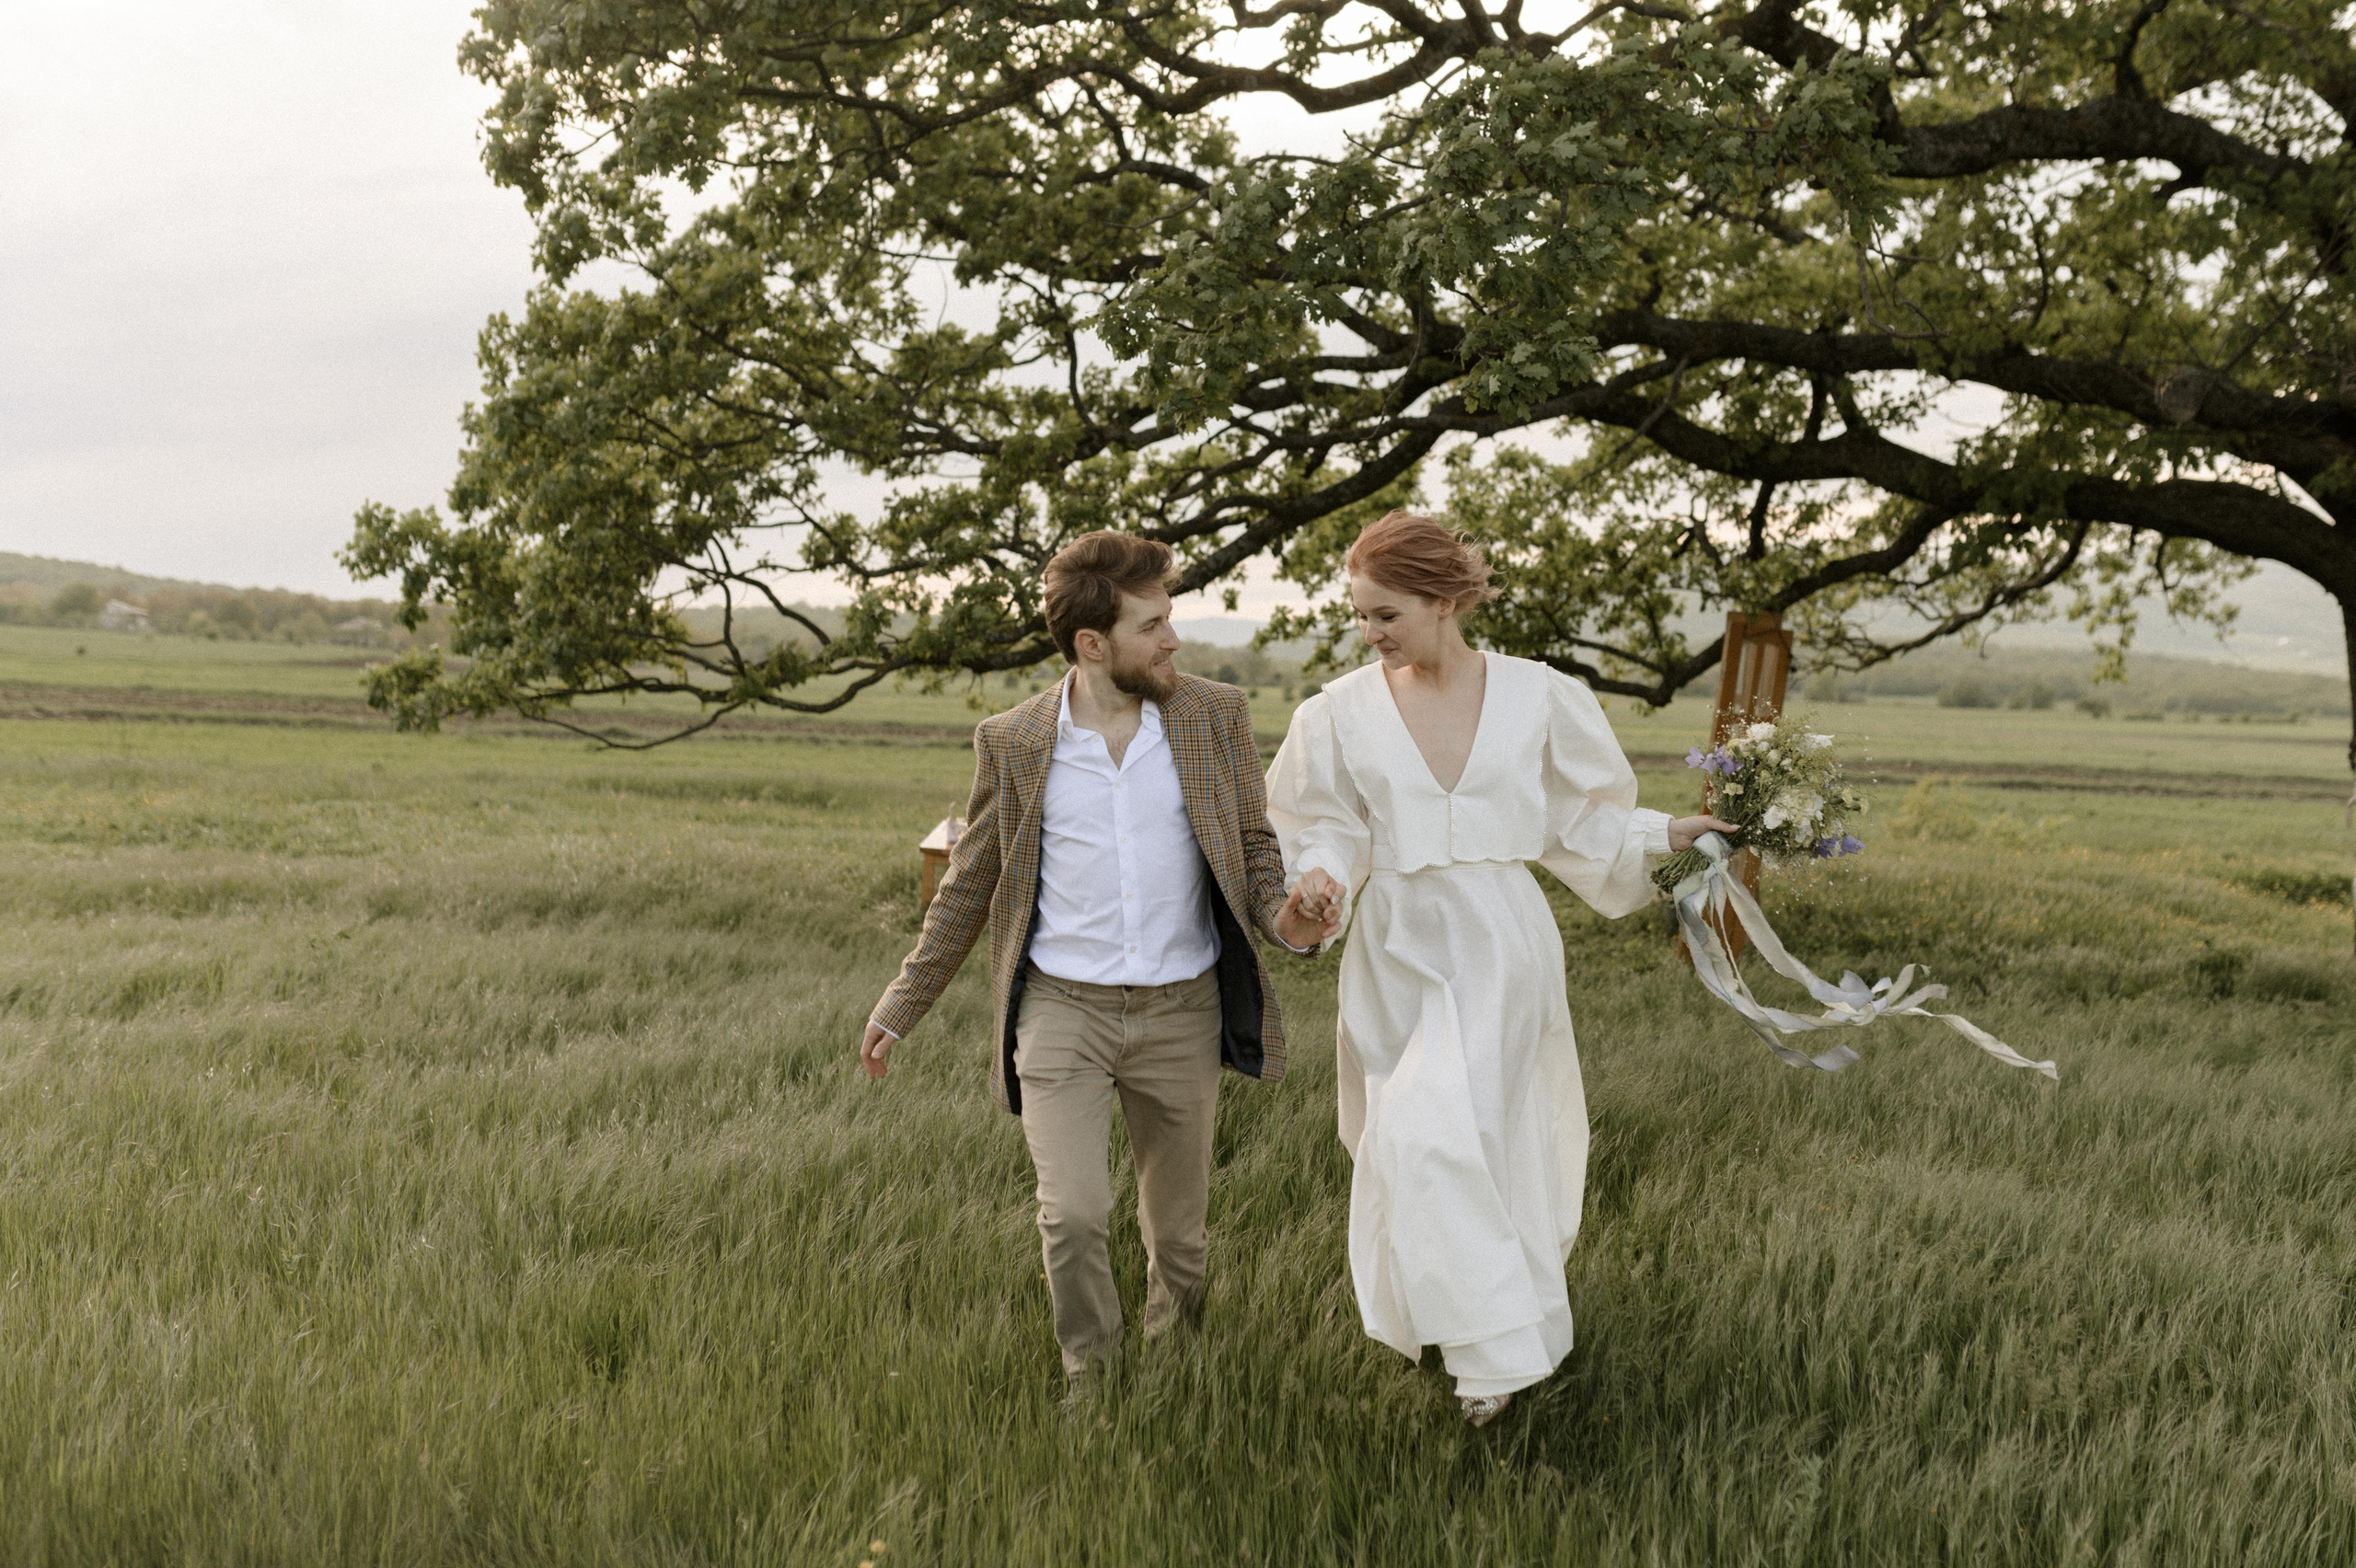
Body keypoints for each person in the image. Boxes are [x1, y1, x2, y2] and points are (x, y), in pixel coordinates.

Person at [1266, 512, 1732, 1426]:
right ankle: (1476, 1328)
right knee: (1417, 1142)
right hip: (1394, 947)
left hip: (1496, 941)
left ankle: (1493, 1361)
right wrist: (1316, 882)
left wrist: (1664, 834)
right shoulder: (1332, 715)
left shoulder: (1538, 696)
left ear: (1444, 599)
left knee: (1447, 1134)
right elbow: (1318, 828)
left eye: (1386, 613)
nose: (1371, 633)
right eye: (1361, 616)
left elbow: (1579, 823)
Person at [860, 531, 1340, 1396]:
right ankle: (1092, 1379)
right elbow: (969, 887)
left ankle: (1174, 1376)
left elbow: (1255, 852)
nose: (1172, 640)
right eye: (1152, 624)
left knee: (1181, 1239)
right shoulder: (1013, 741)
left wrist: (1291, 915)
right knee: (1074, 1215)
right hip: (1061, 1011)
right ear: (1092, 644)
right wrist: (901, 1004)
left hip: (1182, 1012)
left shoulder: (1212, 716)